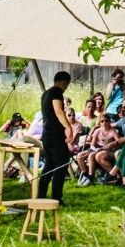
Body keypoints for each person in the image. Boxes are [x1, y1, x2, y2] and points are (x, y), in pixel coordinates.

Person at [36, 71, 75, 203]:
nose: (66, 87)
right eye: (67, 84)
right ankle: (56, 197)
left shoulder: (46, 93)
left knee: (49, 165)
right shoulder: (56, 92)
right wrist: (69, 128)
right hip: (54, 134)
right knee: (61, 164)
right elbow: (58, 111)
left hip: (46, 134)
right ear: (64, 81)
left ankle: (41, 195)